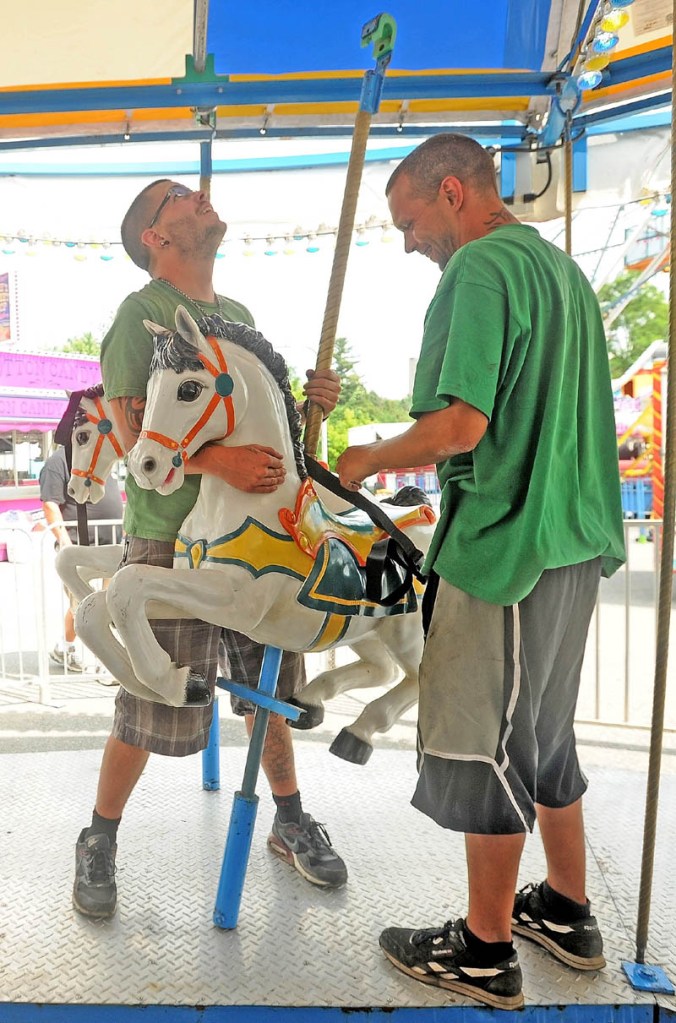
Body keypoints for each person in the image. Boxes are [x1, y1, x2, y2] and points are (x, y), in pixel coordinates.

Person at [336, 134, 626, 1010]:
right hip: (573, 537)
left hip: (507, 546)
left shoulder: (478, 271)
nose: (409, 241)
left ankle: (484, 949)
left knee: (485, 745)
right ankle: (568, 910)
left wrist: (367, 457)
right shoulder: (562, 273)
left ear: (453, 192)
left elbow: (461, 427)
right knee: (545, 737)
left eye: (410, 220)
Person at [72, 179, 347, 920]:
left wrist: (307, 405)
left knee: (272, 690)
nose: (200, 197)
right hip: (170, 538)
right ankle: (99, 834)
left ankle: (289, 819)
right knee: (149, 698)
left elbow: (258, 427)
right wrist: (211, 465)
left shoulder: (238, 318)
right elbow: (133, 442)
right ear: (155, 238)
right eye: (179, 198)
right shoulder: (140, 318)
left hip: (254, 541)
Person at [39, 444, 123, 672]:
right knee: (82, 605)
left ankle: (72, 649)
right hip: (78, 547)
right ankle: (77, 651)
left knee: (109, 603)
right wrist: (66, 544)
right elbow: (50, 505)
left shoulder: (99, 458)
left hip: (111, 544)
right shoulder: (57, 462)